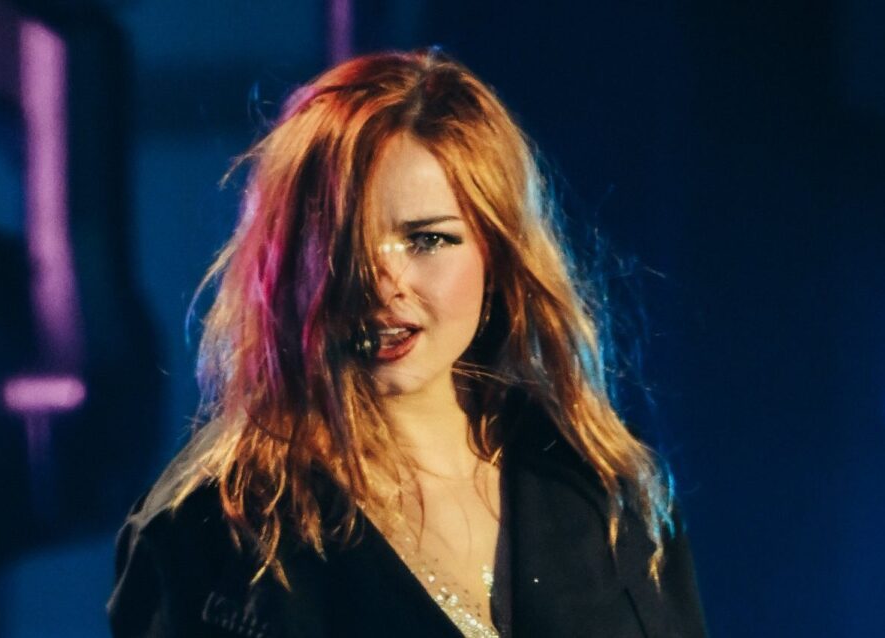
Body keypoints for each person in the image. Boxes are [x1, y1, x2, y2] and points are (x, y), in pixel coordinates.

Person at [106, 48, 707, 638]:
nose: (380, 284)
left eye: (427, 240)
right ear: (287, 261)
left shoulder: (600, 486)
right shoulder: (208, 533)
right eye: (343, 242)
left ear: (497, 254)